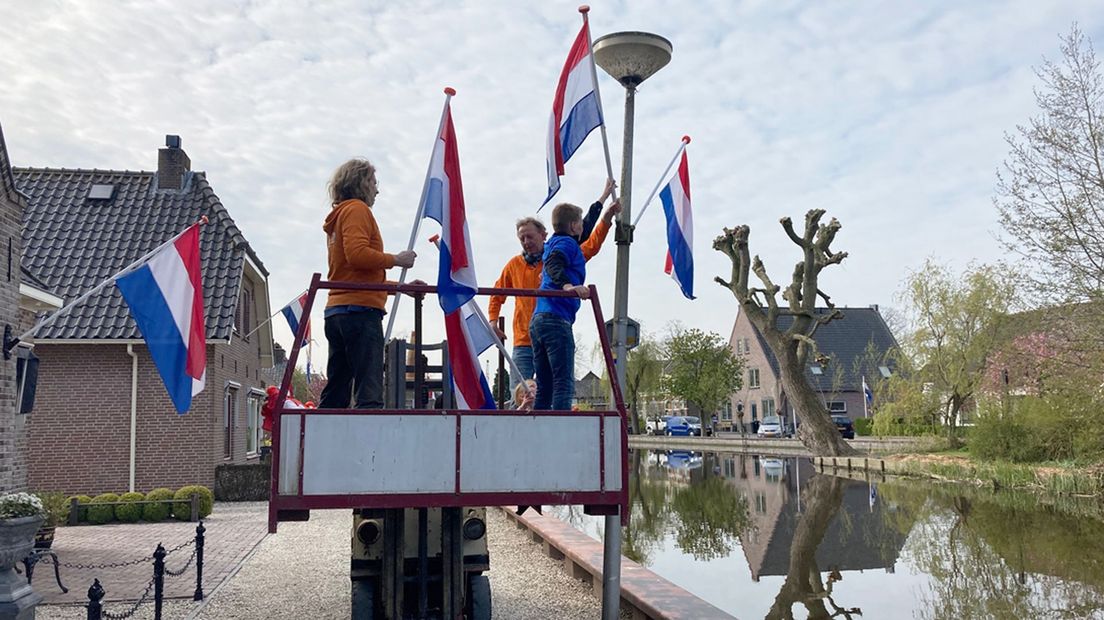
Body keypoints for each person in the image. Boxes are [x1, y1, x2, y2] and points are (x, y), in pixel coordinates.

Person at [487, 179, 619, 390]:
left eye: (529, 236)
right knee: (519, 392)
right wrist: (493, 321)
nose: (526, 242)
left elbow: (589, 243)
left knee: (554, 386)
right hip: (523, 339)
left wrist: (606, 217)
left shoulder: (560, 253)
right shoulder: (514, 265)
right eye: (522, 238)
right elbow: (497, 294)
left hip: (551, 331)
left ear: (544, 235)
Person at [318, 158, 416, 409]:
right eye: (373, 182)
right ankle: (370, 445)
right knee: (369, 388)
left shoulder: (338, 216)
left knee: (338, 387)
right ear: (360, 182)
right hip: (360, 312)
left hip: (338, 309)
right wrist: (396, 259)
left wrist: (400, 288)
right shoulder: (357, 210)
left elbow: (353, 274)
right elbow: (358, 254)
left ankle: (324, 441)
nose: (377, 189)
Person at [529, 202, 592, 411]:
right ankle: (559, 429)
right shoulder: (568, 245)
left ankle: (538, 429)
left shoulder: (554, 242)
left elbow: (587, 229)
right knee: (563, 382)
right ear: (574, 226)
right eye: (580, 224)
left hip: (539, 318)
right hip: (556, 317)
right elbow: (555, 263)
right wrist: (568, 286)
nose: (583, 228)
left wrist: (602, 203)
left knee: (545, 383)